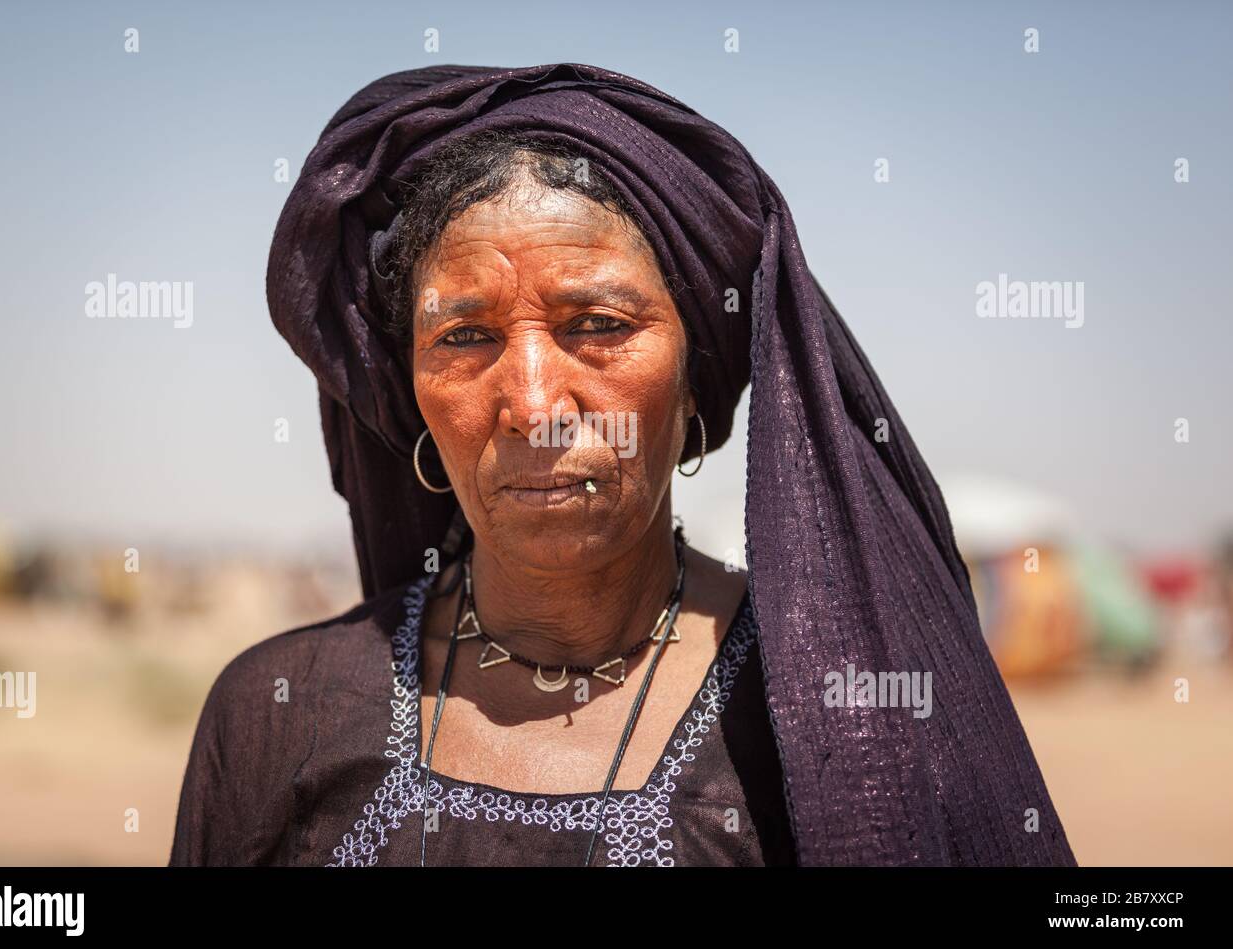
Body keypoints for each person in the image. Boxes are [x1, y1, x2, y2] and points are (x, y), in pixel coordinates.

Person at [169, 63, 1076, 867]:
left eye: (598, 327)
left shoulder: (846, 719)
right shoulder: (277, 715)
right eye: (466, 336)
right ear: (413, 395)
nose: (532, 405)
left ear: (695, 383)